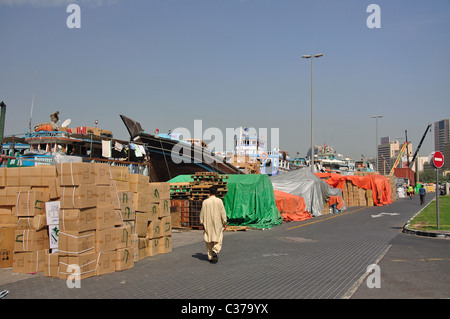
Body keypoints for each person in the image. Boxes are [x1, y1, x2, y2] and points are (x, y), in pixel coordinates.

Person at [200, 186, 227, 264]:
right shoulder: (219, 201)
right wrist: (224, 221)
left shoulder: (205, 202)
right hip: (217, 223)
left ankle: (210, 257)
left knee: (208, 239)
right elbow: (222, 212)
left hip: (207, 223)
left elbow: (202, 213)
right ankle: (215, 250)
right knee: (219, 237)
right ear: (216, 192)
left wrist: (202, 222)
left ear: (209, 192)